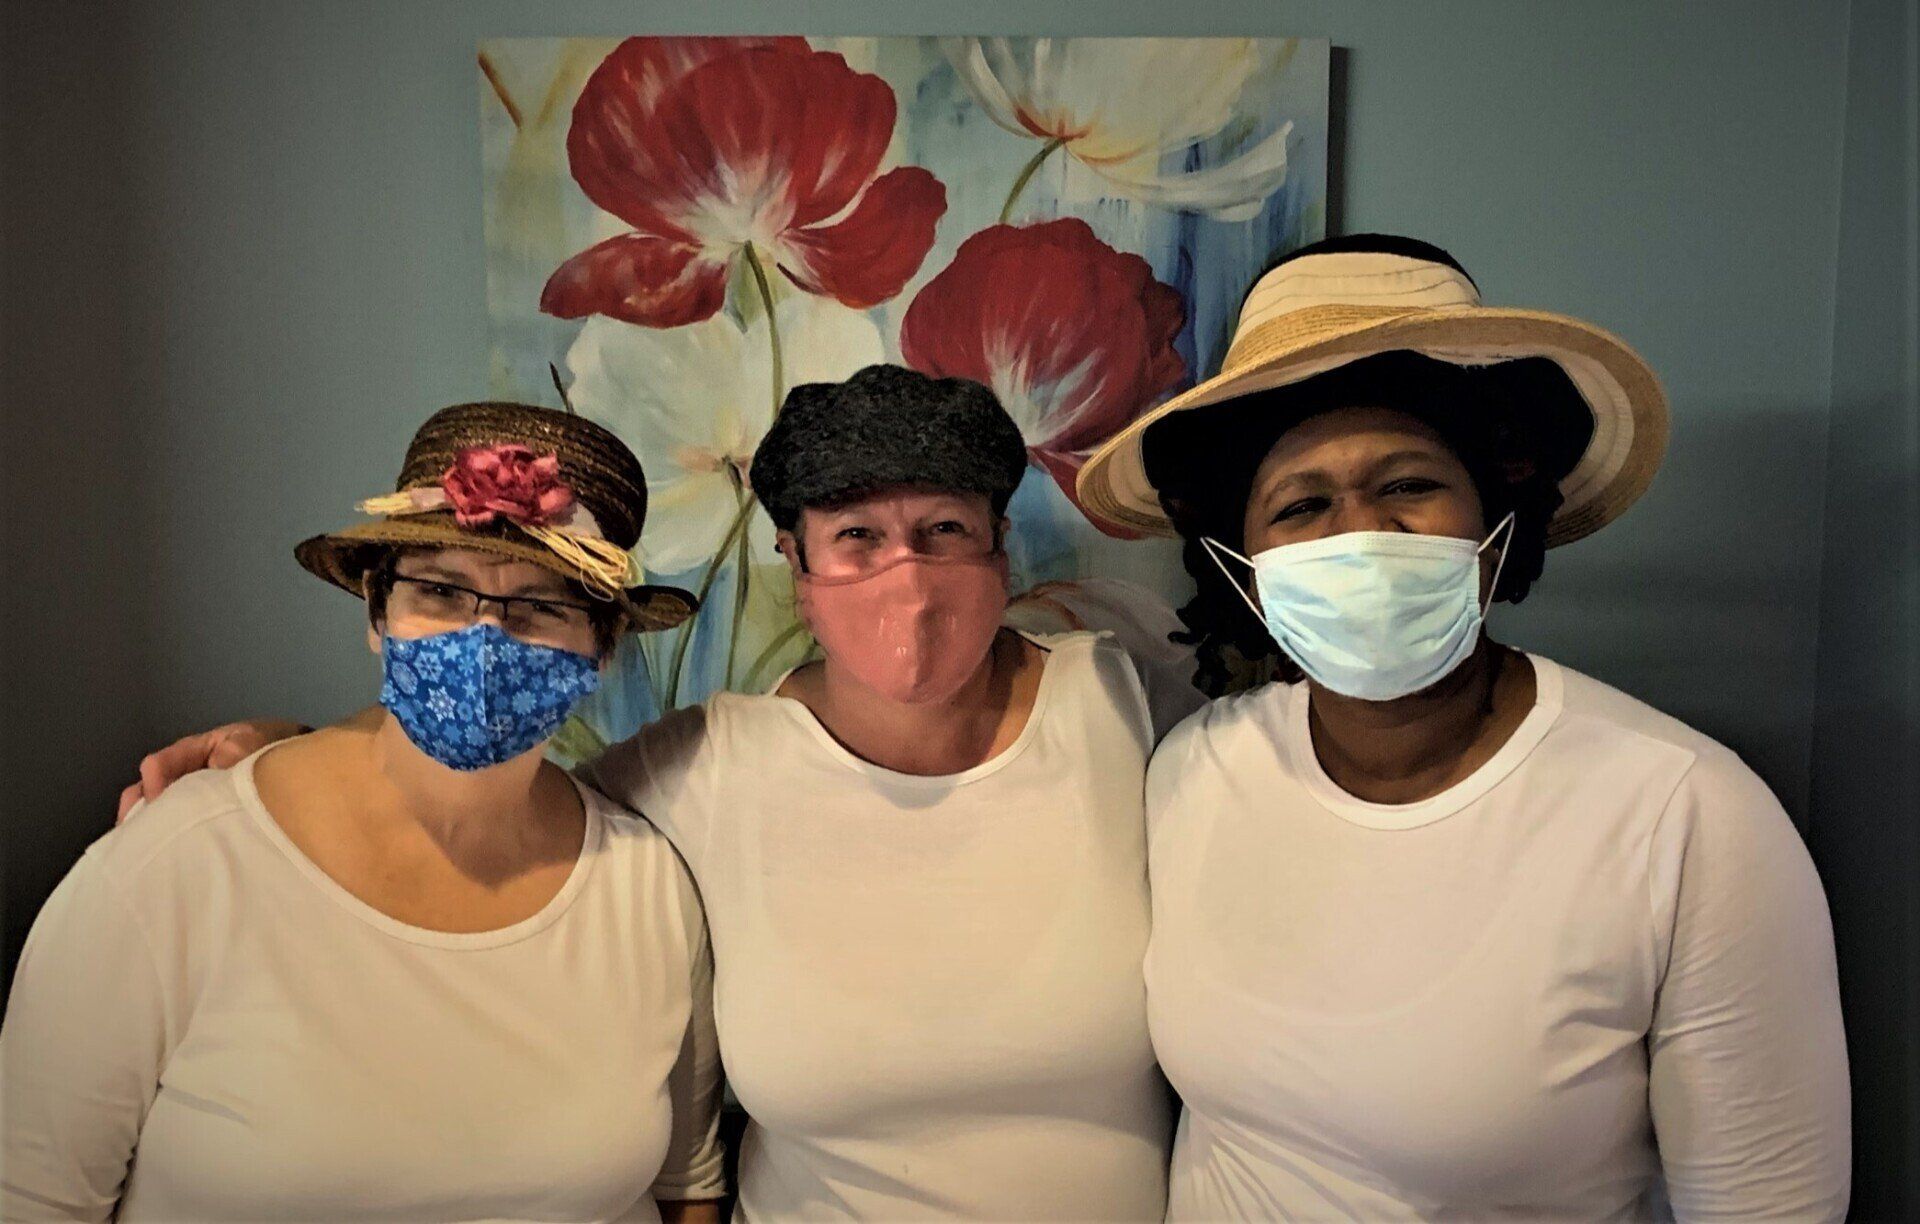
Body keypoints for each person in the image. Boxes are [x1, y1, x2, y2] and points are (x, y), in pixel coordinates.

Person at [102, 366, 1203, 1221]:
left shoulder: (1118, 691)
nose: (904, 576)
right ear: (796, 566)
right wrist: (294, 747)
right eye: (856, 537)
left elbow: (1287, 743)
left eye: (943, 531)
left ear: (1002, 546)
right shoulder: (706, 767)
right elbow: (488, 783)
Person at [1075, 234, 1852, 1220]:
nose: (1359, 532)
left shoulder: (1686, 817)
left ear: (1498, 518)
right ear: (1244, 570)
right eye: (1303, 505)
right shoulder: (1195, 770)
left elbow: (1767, 1203)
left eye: (1407, 485)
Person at [2, 403, 727, 1222]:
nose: (483, 640)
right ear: (376, 613)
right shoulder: (172, 869)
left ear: (601, 646)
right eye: (442, 591)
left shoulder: (647, 888)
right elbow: (34, 1197)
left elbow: (686, 1186)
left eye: (540, 606)